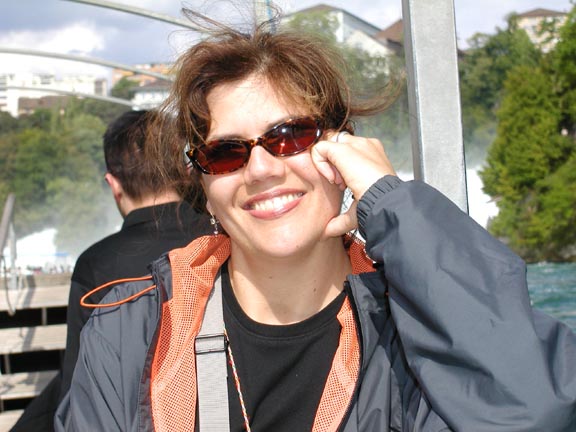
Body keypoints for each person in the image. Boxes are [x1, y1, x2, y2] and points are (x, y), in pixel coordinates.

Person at [55, 6, 576, 432]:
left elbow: (533, 410)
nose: (262, 169)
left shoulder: (417, 329)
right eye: (226, 153)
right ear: (206, 192)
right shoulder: (130, 335)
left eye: (290, 136)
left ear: (342, 150)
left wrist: (389, 202)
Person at [11, 110, 211, 432]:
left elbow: (78, 391)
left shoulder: (96, 265)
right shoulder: (219, 239)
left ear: (113, 184)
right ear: (187, 172)